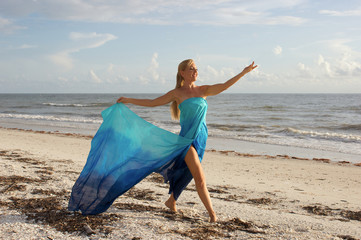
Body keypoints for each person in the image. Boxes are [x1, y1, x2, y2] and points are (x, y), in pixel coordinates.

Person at [68, 59, 256, 223]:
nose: (195, 71)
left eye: (196, 68)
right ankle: (213, 214)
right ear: (182, 72)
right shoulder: (177, 93)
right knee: (200, 178)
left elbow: (225, 85)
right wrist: (129, 100)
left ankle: (171, 201)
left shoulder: (203, 90)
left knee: (186, 172)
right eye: (191, 68)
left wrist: (244, 72)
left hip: (201, 139)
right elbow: (152, 102)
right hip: (186, 141)